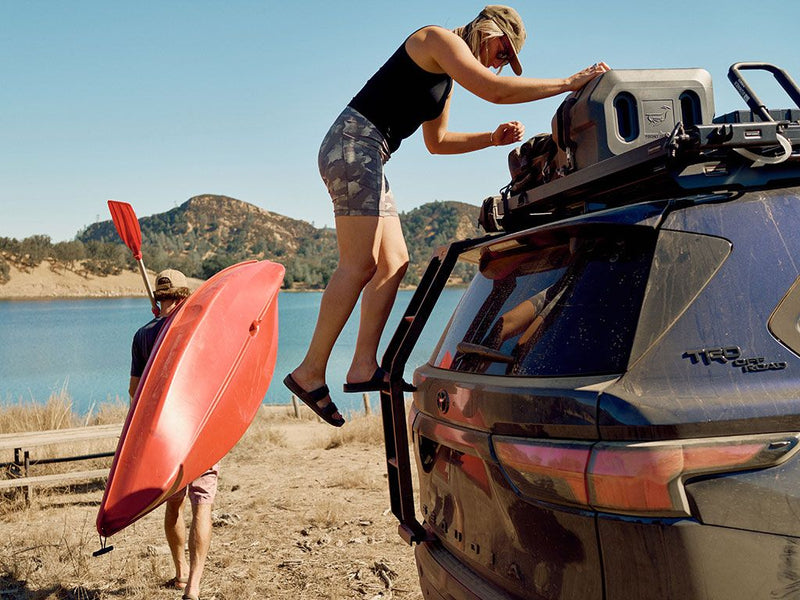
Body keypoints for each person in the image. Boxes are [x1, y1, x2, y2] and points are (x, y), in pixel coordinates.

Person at [284, 5, 610, 427]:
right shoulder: (436, 39)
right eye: (501, 54)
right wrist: (569, 83)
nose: (498, 64)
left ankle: (363, 366)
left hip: (371, 156)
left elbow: (436, 142)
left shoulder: (446, 79)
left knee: (395, 263)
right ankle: (309, 372)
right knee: (360, 263)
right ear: (489, 32)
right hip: (352, 145)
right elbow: (493, 90)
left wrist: (491, 139)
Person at [129, 269, 217, 600]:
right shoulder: (197, 330)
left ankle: (179, 573)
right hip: (199, 433)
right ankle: (193, 587)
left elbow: (134, 393)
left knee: (174, 506)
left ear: (158, 298)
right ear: (184, 297)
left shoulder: (142, 335)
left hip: (163, 438)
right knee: (202, 506)